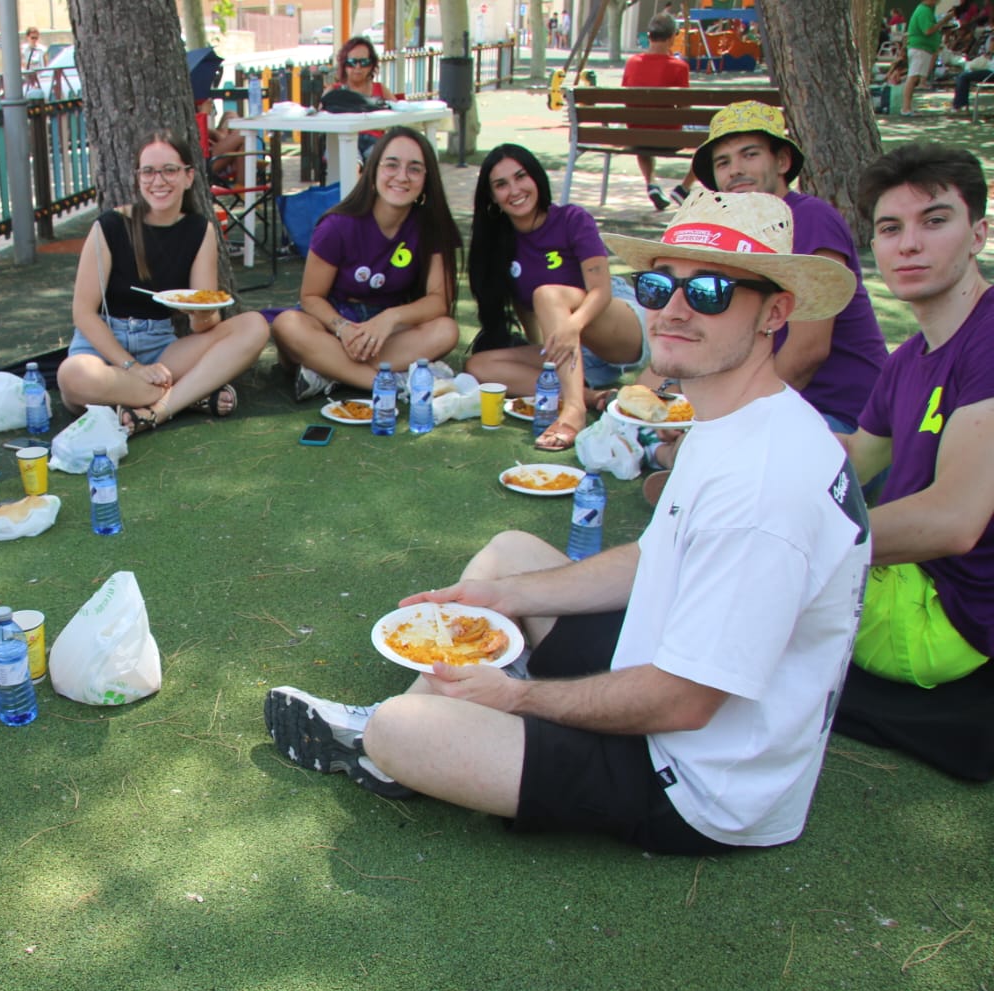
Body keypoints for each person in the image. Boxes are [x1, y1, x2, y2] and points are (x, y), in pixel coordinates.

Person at [265, 190, 869, 853]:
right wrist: (506, 600)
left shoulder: (762, 487)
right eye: (658, 285)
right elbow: (653, 560)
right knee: (508, 558)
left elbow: (685, 703)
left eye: (710, 292)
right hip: (671, 664)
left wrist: (517, 701)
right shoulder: (735, 415)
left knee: (401, 731)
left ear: (774, 311)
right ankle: (438, 712)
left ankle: (385, 736)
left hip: (697, 779)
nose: (672, 309)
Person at [831, 144, 994, 779]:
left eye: (935, 220)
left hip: (943, 619)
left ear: (979, 232)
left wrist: (799, 535)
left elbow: (955, 520)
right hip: (904, 582)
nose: (909, 245)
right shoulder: (910, 358)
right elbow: (854, 458)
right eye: (890, 229)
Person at [690, 100, 888, 434]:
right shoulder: (732, 233)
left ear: (782, 161)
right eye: (723, 162)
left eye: (749, 154)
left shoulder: (809, 218)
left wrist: (735, 421)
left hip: (841, 413)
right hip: (779, 398)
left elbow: (807, 351)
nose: (735, 169)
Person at [57, 132, 267, 435]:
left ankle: (155, 410)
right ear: (138, 178)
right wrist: (133, 368)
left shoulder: (199, 230)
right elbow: (84, 313)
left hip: (160, 346)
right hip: (104, 346)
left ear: (188, 176)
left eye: (169, 170)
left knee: (255, 326)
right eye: (149, 171)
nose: (159, 181)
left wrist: (203, 313)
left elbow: (203, 322)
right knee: (73, 377)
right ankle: (189, 396)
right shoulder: (111, 225)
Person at [464, 144, 647, 451]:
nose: (514, 190)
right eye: (501, 184)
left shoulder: (572, 219)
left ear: (536, 177)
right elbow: (527, 312)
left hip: (618, 322)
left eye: (521, 177)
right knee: (478, 366)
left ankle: (574, 413)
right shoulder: (501, 242)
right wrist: (551, 355)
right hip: (575, 347)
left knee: (547, 294)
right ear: (492, 197)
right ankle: (592, 397)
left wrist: (572, 328)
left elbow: (600, 291)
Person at [270, 128, 463, 400]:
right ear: (373, 171)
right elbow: (311, 297)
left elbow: (438, 301)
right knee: (287, 325)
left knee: (446, 330)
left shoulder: (432, 226)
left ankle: (327, 370)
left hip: (387, 332)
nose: (401, 177)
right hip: (334, 326)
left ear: (426, 179)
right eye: (391, 165)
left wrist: (390, 318)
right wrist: (344, 329)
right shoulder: (337, 225)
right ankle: (389, 385)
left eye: (414, 169)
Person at [622, 14, 696, 210]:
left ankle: (651, 183)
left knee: (640, 123)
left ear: (649, 35)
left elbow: (628, 102)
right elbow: (685, 108)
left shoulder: (632, 63)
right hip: (670, 139)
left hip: (636, 137)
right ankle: (684, 188)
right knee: (711, 141)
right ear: (672, 37)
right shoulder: (680, 67)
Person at [902, 0, 956, 115]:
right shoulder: (924, 11)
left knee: (914, 77)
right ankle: (905, 108)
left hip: (923, 48)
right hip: (919, 49)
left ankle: (908, 107)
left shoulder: (928, 10)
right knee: (912, 77)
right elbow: (928, 30)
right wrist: (943, 21)